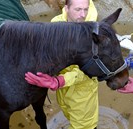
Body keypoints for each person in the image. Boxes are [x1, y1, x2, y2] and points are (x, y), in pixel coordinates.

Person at [25, 0, 99, 129]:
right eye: (78, 10)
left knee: (86, 126)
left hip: (82, 95)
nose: (83, 15)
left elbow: (90, 69)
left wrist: (61, 81)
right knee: (68, 114)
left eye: (86, 9)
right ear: (66, 8)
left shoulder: (92, 32)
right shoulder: (56, 24)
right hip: (63, 91)